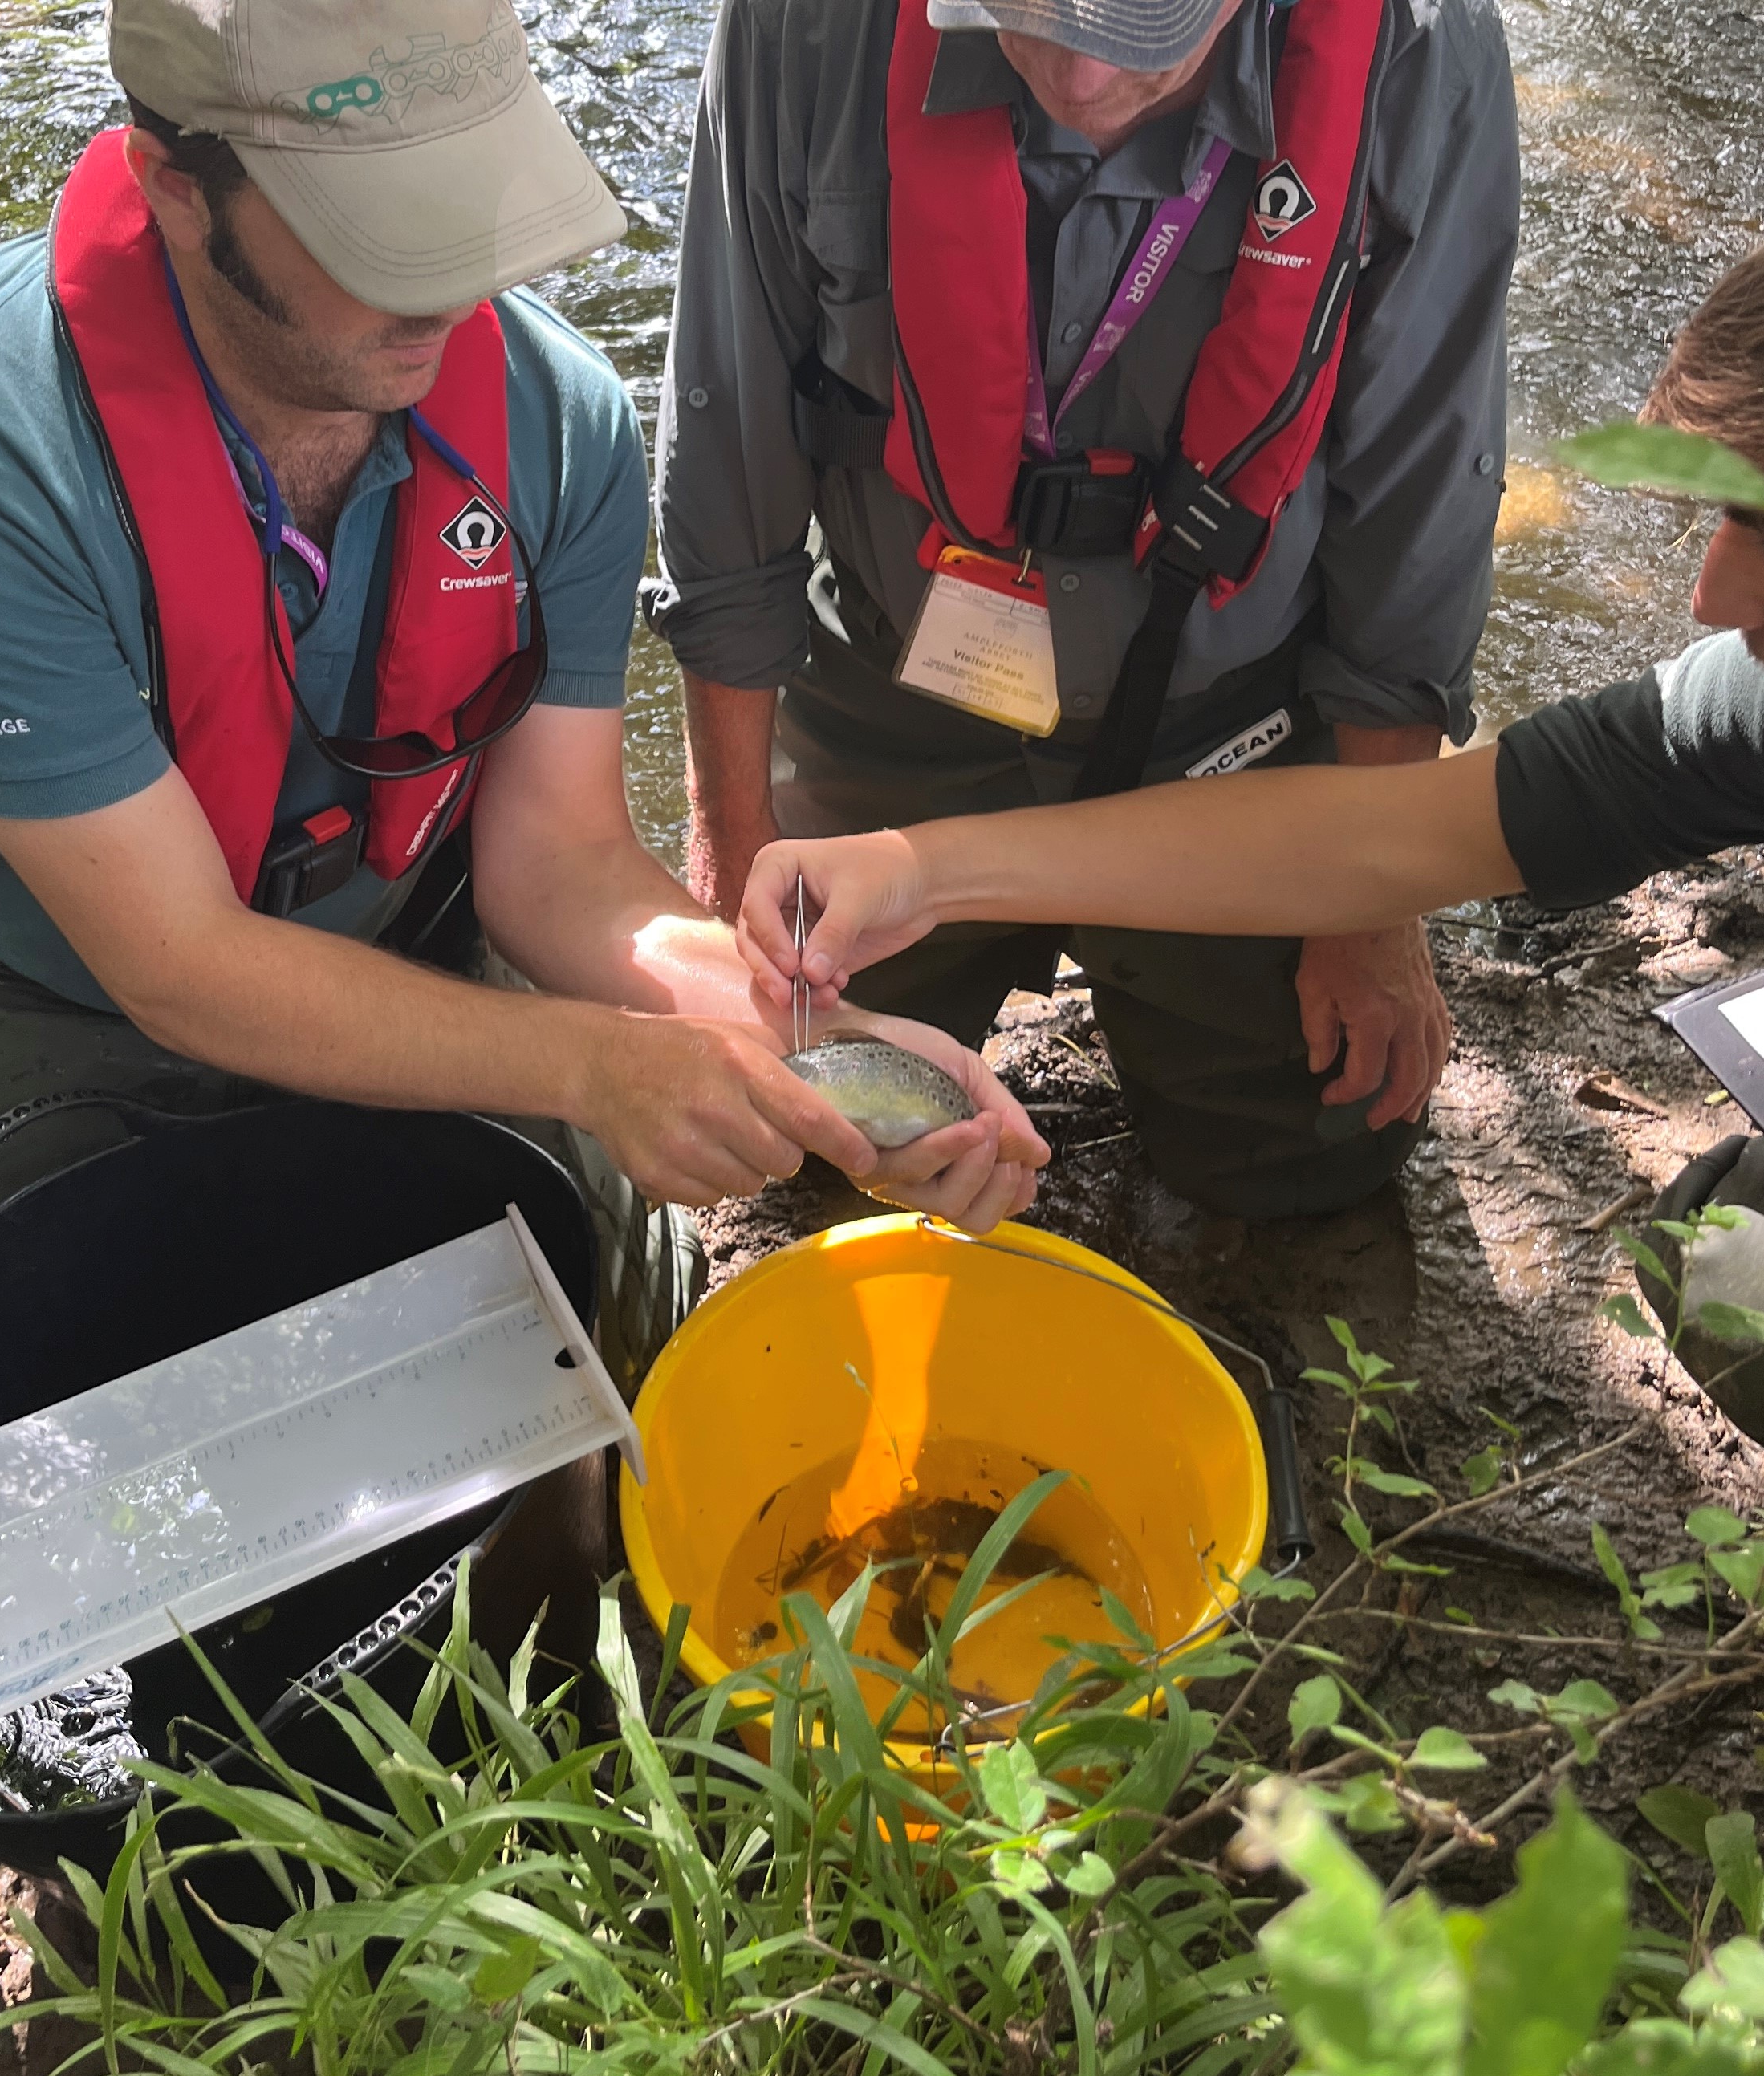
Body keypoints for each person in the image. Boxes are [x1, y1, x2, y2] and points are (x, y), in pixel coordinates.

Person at [0, 0, 1044, 1392]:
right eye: (376, 228)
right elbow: (178, 965)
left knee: (606, 1361)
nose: (451, 290)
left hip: (416, 929)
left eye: (466, 203)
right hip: (37, 987)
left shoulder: (557, 417)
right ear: (177, 187)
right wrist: (590, 1066)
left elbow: (562, 865)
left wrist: (825, 1046)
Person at [737, 244, 1764, 1428]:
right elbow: (1379, 838)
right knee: (1702, 1263)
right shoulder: (1736, 707)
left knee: (1737, 1298)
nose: (1710, 598)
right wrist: (928, 871)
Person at [648, 0, 1520, 1220]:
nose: (1075, 73)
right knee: (796, 1141)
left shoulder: (1419, 50)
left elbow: (1420, 501)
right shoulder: (806, 22)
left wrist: (1370, 911)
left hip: (1230, 734)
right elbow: (725, 446)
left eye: (1140, 21)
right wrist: (732, 846)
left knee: (1315, 1149)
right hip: (902, 693)